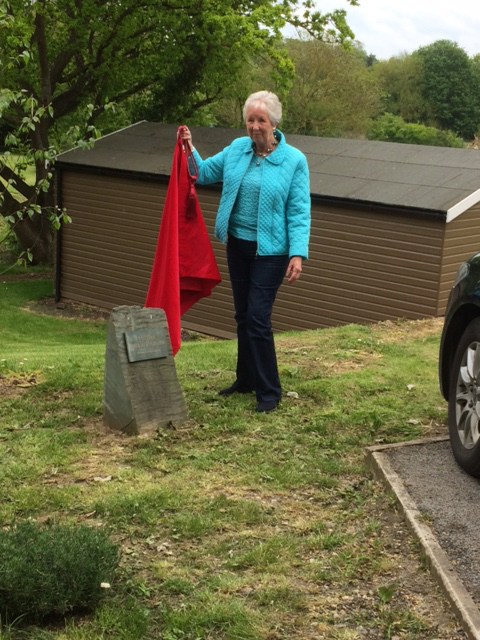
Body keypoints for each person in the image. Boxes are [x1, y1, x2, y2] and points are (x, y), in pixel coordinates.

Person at [180, 90, 310, 413]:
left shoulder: (294, 161)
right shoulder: (238, 150)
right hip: (238, 244)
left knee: (257, 317)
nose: (254, 126)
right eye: (250, 120)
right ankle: (246, 380)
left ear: (274, 123)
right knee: (242, 317)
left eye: (260, 120)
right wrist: (189, 147)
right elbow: (205, 173)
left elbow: (298, 210)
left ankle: (269, 392)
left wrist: (297, 254)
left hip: (272, 252)